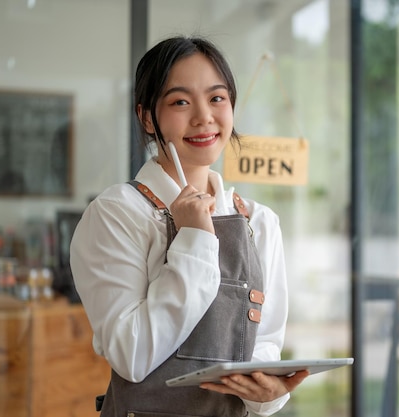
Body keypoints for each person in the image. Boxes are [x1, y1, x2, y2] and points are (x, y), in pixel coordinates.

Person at [70, 35, 308, 417]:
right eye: (180, 101)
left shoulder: (260, 223)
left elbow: (262, 349)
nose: (203, 117)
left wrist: (269, 395)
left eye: (217, 98)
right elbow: (132, 355)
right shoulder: (116, 214)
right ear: (148, 117)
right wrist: (195, 239)